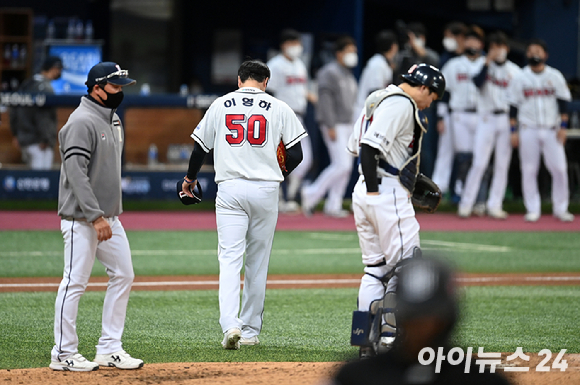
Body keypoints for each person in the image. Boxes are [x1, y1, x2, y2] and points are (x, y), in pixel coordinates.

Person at [182, 60, 307, 349]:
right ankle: (250, 331)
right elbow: (296, 154)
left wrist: (190, 178)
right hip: (265, 189)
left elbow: (201, 148)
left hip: (230, 189)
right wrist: (279, 172)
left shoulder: (221, 104)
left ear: (239, 80)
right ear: (266, 82)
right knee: (257, 262)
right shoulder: (280, 107)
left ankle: (230, 325)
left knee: (229, 259)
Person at [346, 63, 444, 356]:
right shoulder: (401, 104)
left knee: (375, 270)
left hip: (365, 189)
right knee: (408, 268)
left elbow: (356, 144)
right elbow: (366, 147)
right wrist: (379, 191)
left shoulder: (378, 99)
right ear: (424, 87)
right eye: (433, 96)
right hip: (382, 191)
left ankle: (363, 340)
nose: (431, 102)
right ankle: (394, 336)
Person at [50, 62, 143, 371]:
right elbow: (76, 175)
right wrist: (95, 216)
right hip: (82, 219)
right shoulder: (81, 122)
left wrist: (106, 216)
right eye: (115, 86)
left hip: (108, 218)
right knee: (74, 282)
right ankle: (63, 353)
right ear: (96, 88)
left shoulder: (112, 119)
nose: (120, 91)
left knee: (124, 274)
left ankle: (109, 348)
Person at [329, 257, 512, 385]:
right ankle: (377, 339)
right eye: (413, 319)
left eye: (430, 319)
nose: (421, 330)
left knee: (374, 272)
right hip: (391, 205)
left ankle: (365, 340)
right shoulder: (480, 379)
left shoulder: (355, 376)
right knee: (407, 258)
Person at [508, 39, 574, 222]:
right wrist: (513, 131)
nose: (534, 54)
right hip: (528, 128)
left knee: (560, 169)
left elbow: (563, 103)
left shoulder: (555, 75)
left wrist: (563, 127)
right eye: (530, 51)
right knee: (529, 170)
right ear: (526, 55)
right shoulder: (520, 77)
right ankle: (532, 208)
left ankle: (561, 208)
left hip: (552, 129)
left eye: (538, 51)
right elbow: (513, 107)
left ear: (545, 55)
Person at [458, 32, 522, 219]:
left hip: (505, 118)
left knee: (502, 165)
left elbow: (516, 102)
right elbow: (477, 83)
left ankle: (495, 204)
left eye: (500, 47)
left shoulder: (515, 71)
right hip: (486, 118)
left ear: (507, 49)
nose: (498, 51)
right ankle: (466, 204)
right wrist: (488, 61)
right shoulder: (481, 64)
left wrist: (513, 128)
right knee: (479, 163)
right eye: (494, 47)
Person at [302, 35, 358, 217]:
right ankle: (310, 194)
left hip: (348, 124)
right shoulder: (329, 72)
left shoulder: (347, 73)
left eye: (354, 52)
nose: (352, 55)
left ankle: (334, 204)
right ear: (339, 53)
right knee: (341, 165)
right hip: (334, 124)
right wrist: (330, 124)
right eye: (349, 52)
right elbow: (324, 101)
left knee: (346, 167)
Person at [267, 29, 315, 212]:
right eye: (293, 43)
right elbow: (269, 93)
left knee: (305, 159)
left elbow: (302, 90)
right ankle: (278, 199)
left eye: (298, 43)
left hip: (299, 116)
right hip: (281, 116)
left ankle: (289, 196)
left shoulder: (300, 65)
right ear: (284, 45)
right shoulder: (275, 65)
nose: (297, 47)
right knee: (277, 159)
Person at [439, 28, 486, 206]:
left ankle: (479, 198)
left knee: (480, 158)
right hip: (459, 114)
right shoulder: (454, 64)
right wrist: (441, 117)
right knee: (463, 157)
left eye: (475, 41)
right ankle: (461, 194)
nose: (472, 44)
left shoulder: (486, 63)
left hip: (482, 115)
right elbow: (445, 93)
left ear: (481, 45)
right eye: (469, 41)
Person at [431, 22, 467, 194]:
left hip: (473, 113)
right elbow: (442, 91)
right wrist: (440, 116)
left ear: (461, 38)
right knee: (445, 151)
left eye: (450, 36)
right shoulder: (446, 59)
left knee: (465, 153)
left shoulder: (477, 60)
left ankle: (461, 188)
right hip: (451, 112)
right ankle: (439, 188)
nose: (447, 40)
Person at [10, 56, 63, 170]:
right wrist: (46, 139)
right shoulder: (46, 88)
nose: (60, 72)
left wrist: (16, 134)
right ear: (54, 69)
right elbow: (43, 117)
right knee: (41, 182)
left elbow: (13, 110)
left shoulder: (27, 83)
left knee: (32, 180)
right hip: (39, 144)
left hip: (25, 140)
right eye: (60, 69)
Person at [353, 30, 399, 118]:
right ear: (393, 47)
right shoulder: (377, 64)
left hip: (370, 112)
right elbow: (374, 93)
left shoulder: (383, 63)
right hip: (366, 113)